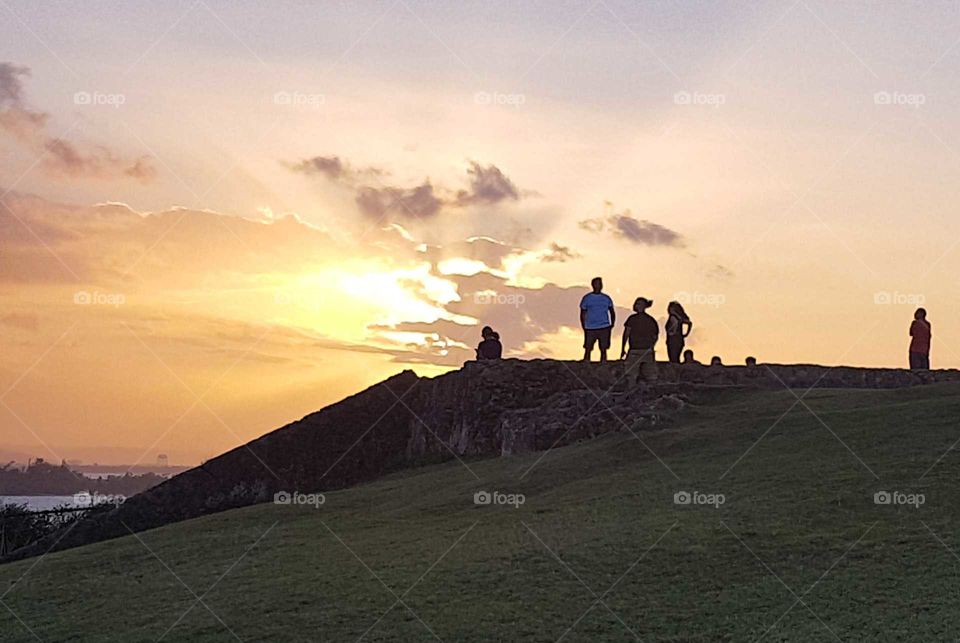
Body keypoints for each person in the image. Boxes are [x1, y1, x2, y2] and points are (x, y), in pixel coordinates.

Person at [620, 297, 659, 383]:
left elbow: (626, 334)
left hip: (638, 350)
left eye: (639, 304)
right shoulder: (650, 320)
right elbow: (656, 336)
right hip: (642, 349)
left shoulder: (633, 319)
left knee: (632, 375)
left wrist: (623, 348)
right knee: (649, 376)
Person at [580, 277, 615, 362]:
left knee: (604, 348)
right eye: (597, 283)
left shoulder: (606, 298)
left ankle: (603, 363)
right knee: (588, 347)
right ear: (593, 285)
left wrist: (612, 324)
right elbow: (582, 312)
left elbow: (611, 311)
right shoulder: (587, 298)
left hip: (604, 326)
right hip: (590, 326)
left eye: (600, 284)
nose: (599, 285)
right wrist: (584, 325)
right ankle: (586, 362)